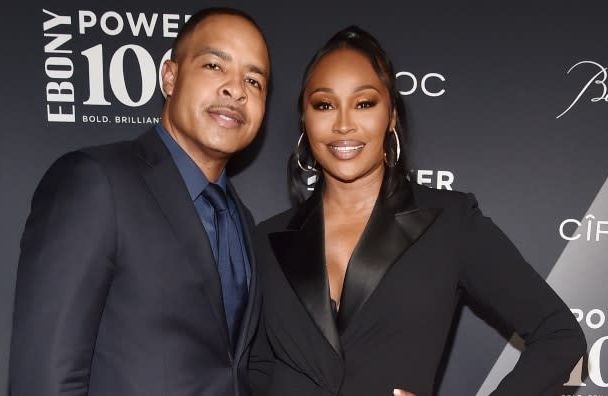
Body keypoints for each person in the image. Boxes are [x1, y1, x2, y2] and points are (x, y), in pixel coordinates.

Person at [249, 26, 586, 396]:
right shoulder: (266, 239)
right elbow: (257, 370)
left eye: (364, 103)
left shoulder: (450, 223)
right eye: (324, 105)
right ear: (305, 120)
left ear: (391, 116)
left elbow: (560, 336)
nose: (343, 124)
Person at [9, 7, 270, 396]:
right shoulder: (95, 182)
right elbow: (44, 380)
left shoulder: (242, 221)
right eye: (215, 66)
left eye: (254, 80)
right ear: (170, 76)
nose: (236, 90)